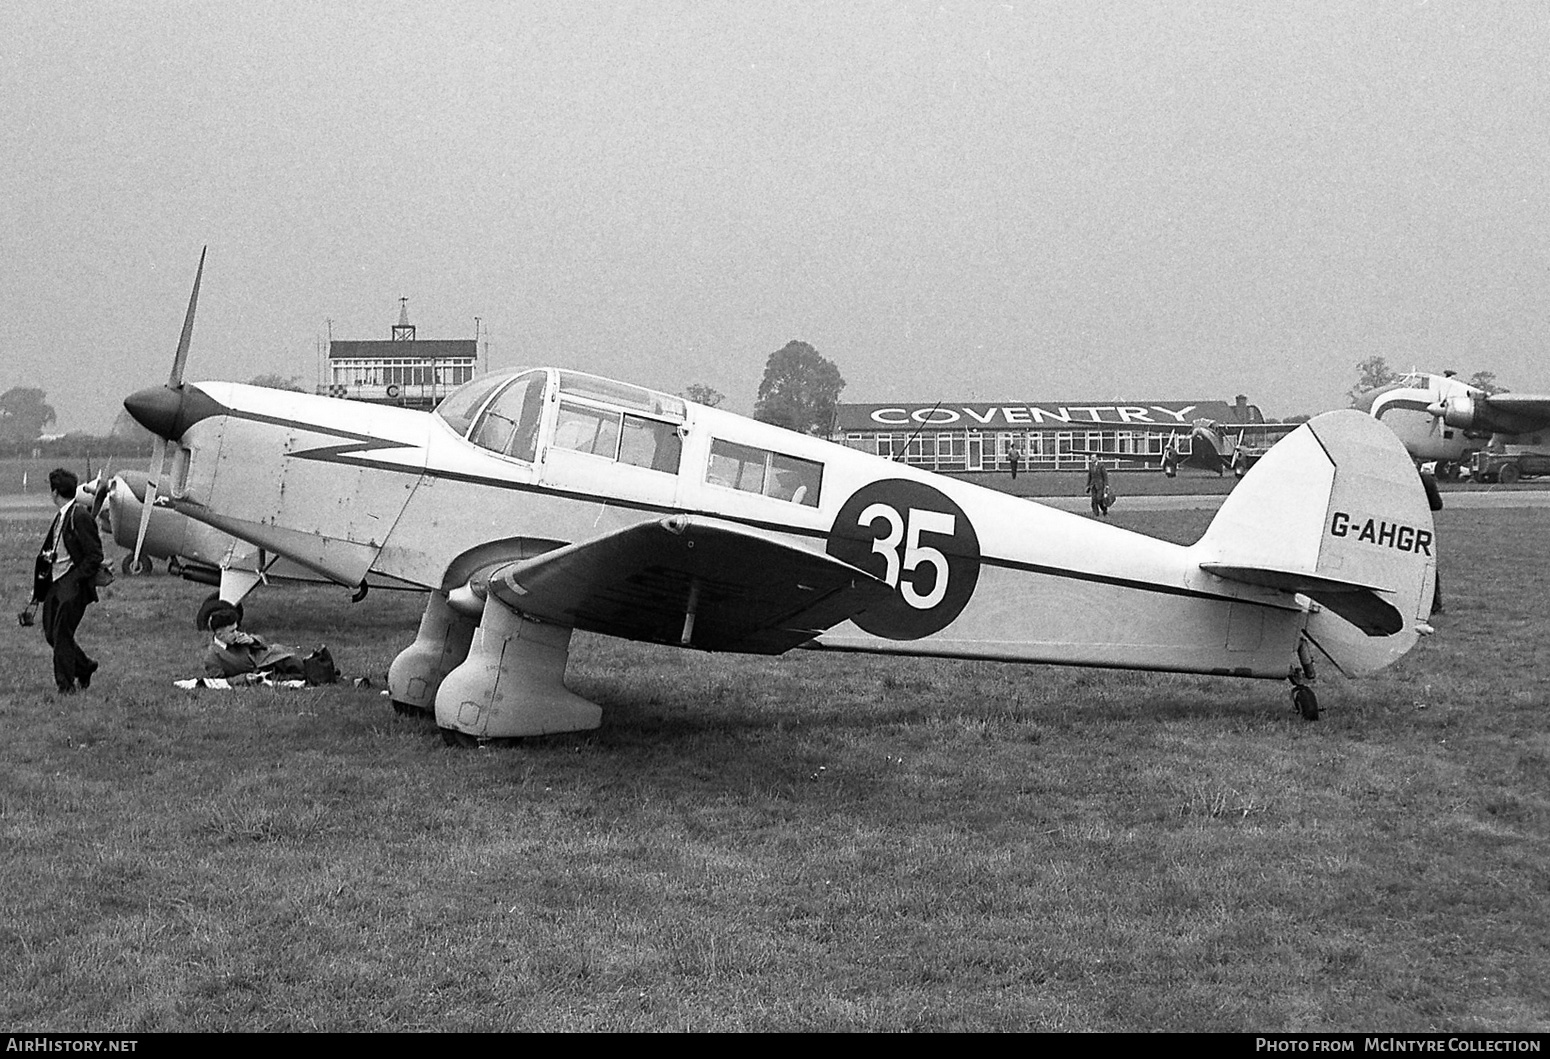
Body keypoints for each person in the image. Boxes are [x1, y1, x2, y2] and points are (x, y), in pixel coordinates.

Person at [33, 468, 104, 694]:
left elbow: (95, 555)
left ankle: (66, 686)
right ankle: (84, 667)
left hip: (71, 585)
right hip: (56, 583)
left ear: (55, 492)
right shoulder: (63, 515)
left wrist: (75, 579)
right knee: (51, 634)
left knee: (62, 635)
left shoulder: (79, 516)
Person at [203, 604, 308, 681]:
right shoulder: (212, 657)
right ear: (220, 634)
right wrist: (244, 678)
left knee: (306, 666)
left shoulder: (237, 637)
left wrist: (252, 640)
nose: (236, 633)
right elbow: (220, 681)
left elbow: (265, 644)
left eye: (236, 629)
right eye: (232, 631)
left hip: (275, 660)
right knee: (304, 676)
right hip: (263, 675)